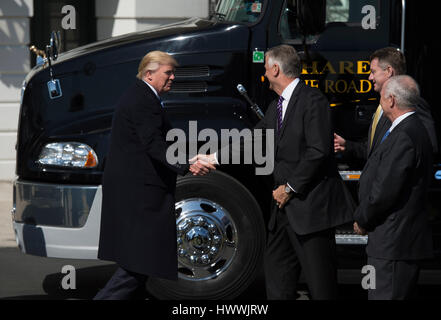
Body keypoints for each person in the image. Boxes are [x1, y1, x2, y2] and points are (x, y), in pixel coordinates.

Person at [197, 45, 354, 299]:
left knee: (321, 286)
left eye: (265, 68)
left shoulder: (313, 101)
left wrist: (290, 188)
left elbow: (318, 151)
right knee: (278, 280)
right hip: (281, 213)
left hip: (310, 210)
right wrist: (213, 157)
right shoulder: (275, 107)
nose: (263, 74)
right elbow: (254, 141)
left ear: (276, 69)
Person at [94, 51, 215, 300]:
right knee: (140, 263)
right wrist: (187, 166)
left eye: (173, 73)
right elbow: (153, 144)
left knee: (141, 261)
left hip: (137, 192)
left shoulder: (143, 96)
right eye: (167, 73)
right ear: (149, 74)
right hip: (140, 195)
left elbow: (159, 141)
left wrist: (189, 157)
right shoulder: (142, 100)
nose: (172, 78)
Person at [353, 75, 433, 300]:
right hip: (392, 242)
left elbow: (384, 191)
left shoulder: (405, 136)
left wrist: (362, 219)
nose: (379, 100)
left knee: (382, 294)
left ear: (391, 100)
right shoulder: (410, 129)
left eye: (381, 96)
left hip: (393, 245)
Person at [334, 47, 438, 158]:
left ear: (389, 71)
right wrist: (347, 146)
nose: (370, 77)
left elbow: (429, 145)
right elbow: (374, 151)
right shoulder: (383, 105)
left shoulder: (411, 103)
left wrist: (394, 168)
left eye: (373, 72)